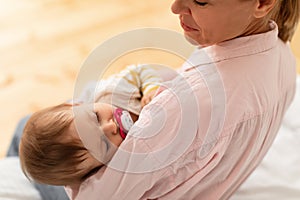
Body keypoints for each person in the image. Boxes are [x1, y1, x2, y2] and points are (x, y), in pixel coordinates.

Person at [66, 0, 300, 199]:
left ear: (262, 2)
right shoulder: (285, 59)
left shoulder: (179, 108)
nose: (175, 7)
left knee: (34, 132)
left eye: (200, 0)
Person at [17, 64, 171, 193]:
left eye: (97, 118)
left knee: (23, 126)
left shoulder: (112, 91)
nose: (111, 126)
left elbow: (140, 71)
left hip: (94, 95)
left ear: (76, 104)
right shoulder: (119, 167)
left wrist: (151, 88)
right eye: (104, 144)